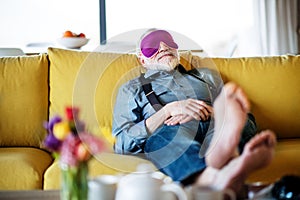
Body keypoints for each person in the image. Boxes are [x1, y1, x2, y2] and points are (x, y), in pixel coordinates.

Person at [112, 29, 276, 196]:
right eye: (152, 45)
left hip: (215, 123)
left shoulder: (207, 76)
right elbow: (122, 143)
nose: (162, 47)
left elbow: (237, 112)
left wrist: (211, 112)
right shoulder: (132, 89)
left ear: (176, 48)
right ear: (142, 59)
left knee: (242, 120)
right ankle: (219, 168)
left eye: (167, 41)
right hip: (174, 130)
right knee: (161, 140)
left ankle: (220, 154)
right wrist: (169, 110)